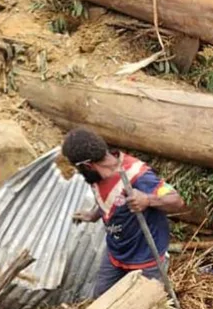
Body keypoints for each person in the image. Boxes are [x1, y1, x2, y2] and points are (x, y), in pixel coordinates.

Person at [62, 127, 186, 297]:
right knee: (101, 299)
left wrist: (148, 200)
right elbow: (111, 201)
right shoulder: (96, 176)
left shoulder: (137, 175)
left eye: (78, 169)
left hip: (145, 256)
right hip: (116, 253)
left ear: (87, 165)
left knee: (142, 305)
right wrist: (94, 215)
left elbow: (177, 201)